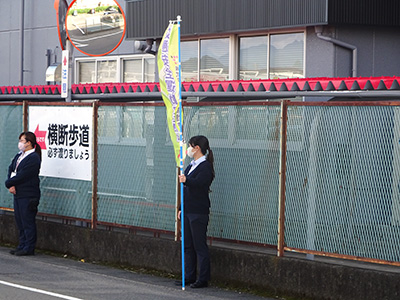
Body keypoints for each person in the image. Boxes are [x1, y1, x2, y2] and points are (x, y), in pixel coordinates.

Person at [177, 135, 215, 288]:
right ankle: (189, 276)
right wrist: (180, 208)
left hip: (198, 211)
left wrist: (187, 180)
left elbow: (201, 184)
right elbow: (184, 189)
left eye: (190, 146)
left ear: (197, 148)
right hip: (187, 210)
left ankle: (203, 278)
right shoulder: (191, 165)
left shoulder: (205, 166)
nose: (189, 149)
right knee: (187, 245)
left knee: (199, 245)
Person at [5, 131, 42, 256]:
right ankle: (21, 245)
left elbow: (24, 175)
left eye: (22, 141)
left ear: (29, 143)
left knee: (27, 221)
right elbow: (12, 168)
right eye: (20, 140)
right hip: (18, 192)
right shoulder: (20, 155)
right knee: (20, 220)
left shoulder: (33, 158)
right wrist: (11, 184)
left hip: (28, 193)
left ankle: (29, 247)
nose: (20, 143)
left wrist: (9, 182)